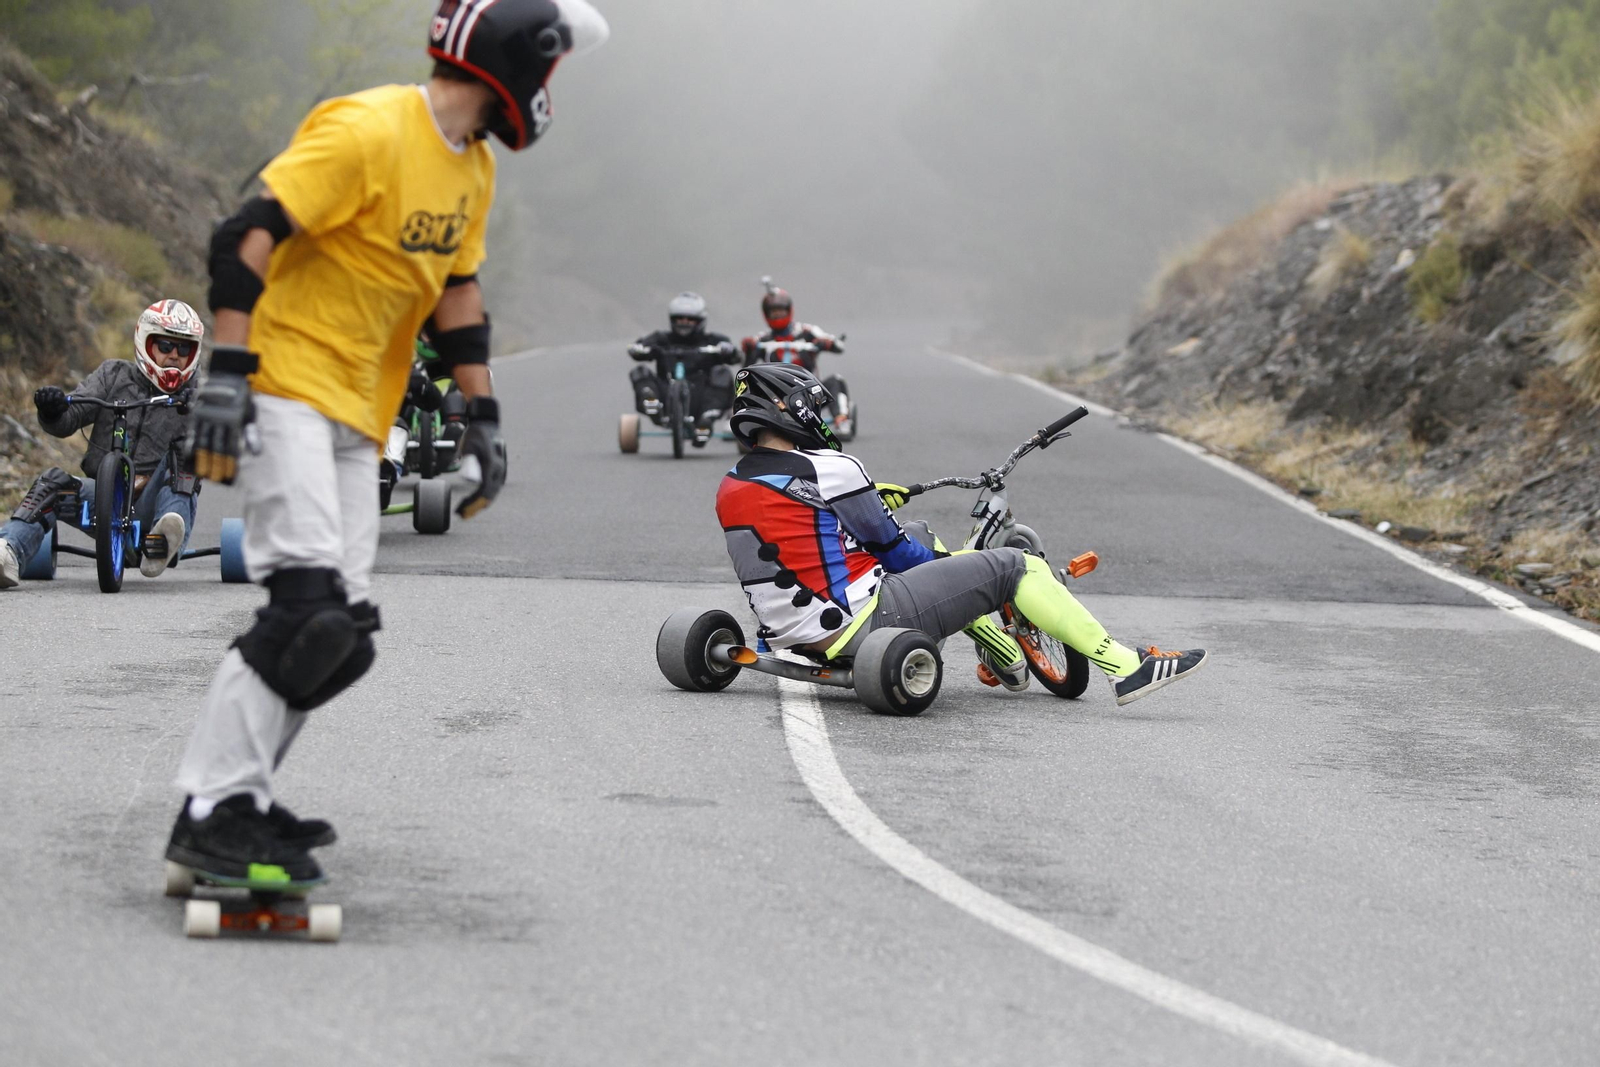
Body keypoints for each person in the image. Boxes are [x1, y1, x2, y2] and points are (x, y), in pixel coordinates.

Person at [165, 0, 609, 886]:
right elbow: (244, 235)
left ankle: (233, 801)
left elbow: (457, 295)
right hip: (284, 385)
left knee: (344, 634)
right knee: (303, 611)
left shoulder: (472, 170)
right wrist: (226, 367)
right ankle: (211, 811)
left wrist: (482, 417)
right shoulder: (367, 128)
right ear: (521, 62)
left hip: (363, 416)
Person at [715, 363, 1208, 706]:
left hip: (788, 634)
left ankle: (1003, 649)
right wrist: (958, 573)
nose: (819, 419)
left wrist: (863, 513)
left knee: (918, 535)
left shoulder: (732, 483)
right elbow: (895, 553)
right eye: (813, 410)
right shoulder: (833, 469)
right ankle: (1126, 667)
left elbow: (800, 537)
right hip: (865, 624)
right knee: (1017, 566)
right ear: (793, 409)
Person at [0, 299, 204, 589]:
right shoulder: (113, 375)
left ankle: (163, 539)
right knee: (52, 483)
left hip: (156, 502)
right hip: (105, 500)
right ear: (146, 343)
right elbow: (67, 421)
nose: (174, 356)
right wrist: (52, 409)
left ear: (194, 353)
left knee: (186, 457)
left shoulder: (199, 394)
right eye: (166, 346)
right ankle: (8, 552)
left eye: (184, 349)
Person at [627, 292, 741, 442]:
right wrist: (638, 348)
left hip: (702, 396)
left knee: (723, 373)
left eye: (690, 320)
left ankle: (707, 418)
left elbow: (737, 357)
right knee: (640, 371)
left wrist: (728, 350)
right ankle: (651, 402)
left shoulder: (713, 340)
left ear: (700, 321)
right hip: (665, 391)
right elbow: (639, 349)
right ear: (672, 320)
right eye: (679, 319)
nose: (684, 323)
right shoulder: (661, 339)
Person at [740, 280, 850, 431]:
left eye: (781, 311)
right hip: (775, 395)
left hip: (810, 392)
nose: (778, 314)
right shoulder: (762, 339)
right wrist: (748, 349)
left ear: (789, 310)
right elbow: (746, 367)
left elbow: (838, 345)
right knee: (750, 385)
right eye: (774, 312)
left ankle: (841, 420)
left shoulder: (807, 332)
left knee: (835, 381)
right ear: (766, 314)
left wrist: (825, 344)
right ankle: (747, 421)